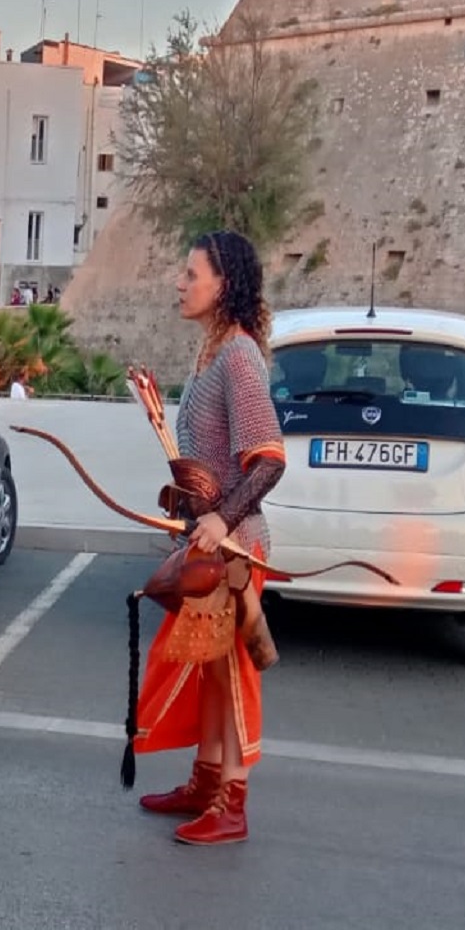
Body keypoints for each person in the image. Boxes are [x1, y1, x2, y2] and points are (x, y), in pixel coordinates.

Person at [134, 229, 286, 845]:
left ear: (222, 286)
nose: (180, 283)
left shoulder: (238, 355)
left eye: (191, 274)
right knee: (210, 671)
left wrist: (221, 518)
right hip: (208, 543)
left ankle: (232, 802)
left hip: (236, 548)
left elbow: (269, 458)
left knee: (230, 673)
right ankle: (205, 782)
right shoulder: (211, 353)